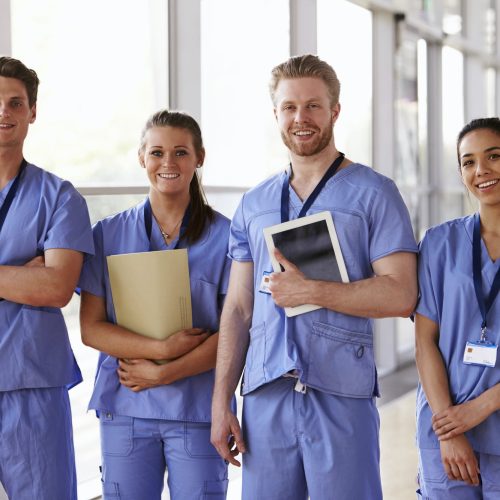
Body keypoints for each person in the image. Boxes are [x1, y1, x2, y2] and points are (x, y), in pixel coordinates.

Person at [210, 53, 418, 499]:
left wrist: (311, 290)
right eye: (289, 107)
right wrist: (221, 398)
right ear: (276, 114)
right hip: (265, 396)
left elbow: (401, 294)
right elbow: (239, 308)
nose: (300, 118)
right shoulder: (254, 202)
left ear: (335, 111)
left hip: (341, 391)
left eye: (313, 106)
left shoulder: (374, 194)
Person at [79, 110, 231, 500]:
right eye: (157, 152)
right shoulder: (107, 235)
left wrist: (167, 371)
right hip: (127, 408)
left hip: (197, 410)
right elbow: (91, 328)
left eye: (181, 152)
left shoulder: (228, 237)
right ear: (141, 158)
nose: (168, 163)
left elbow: (235, 332)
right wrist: (160, 351)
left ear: (200, 158)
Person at [0, 56, 94, 499]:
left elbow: (57, 288)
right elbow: (39, 283)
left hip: (31, 383)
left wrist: (43, 280)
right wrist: (23, 277)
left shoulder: (58, 197)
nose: (5, 112)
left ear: (31, 113)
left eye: (15, 103)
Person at [415, 117, 500, 499]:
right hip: (446, 430)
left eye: (494, 157)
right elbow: (424, 343)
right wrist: (449, 429)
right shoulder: (438, 243)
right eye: (468, 162)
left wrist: (481, 407)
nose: (481, 170)